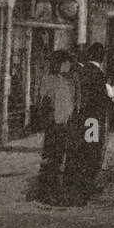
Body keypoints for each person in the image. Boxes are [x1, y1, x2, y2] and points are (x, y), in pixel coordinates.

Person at [67, 42, 111, 195]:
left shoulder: (83, 71)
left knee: (82, 150)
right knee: (92, 151)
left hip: (82, 118)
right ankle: (87, 185)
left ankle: (78, 183)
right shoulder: (98, 74)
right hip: (93, 120)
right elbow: (100, 99)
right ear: (102, 57)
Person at [35, 50, 77, 200]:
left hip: (58, 124)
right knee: (55, 156)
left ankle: (49, 187)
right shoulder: (55, 81)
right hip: (57, 124)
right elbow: (48, 103)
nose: (69, 66)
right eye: (67, 63)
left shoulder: (55, 80)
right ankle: (50, 189)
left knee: (54, 156)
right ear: (61, 64)